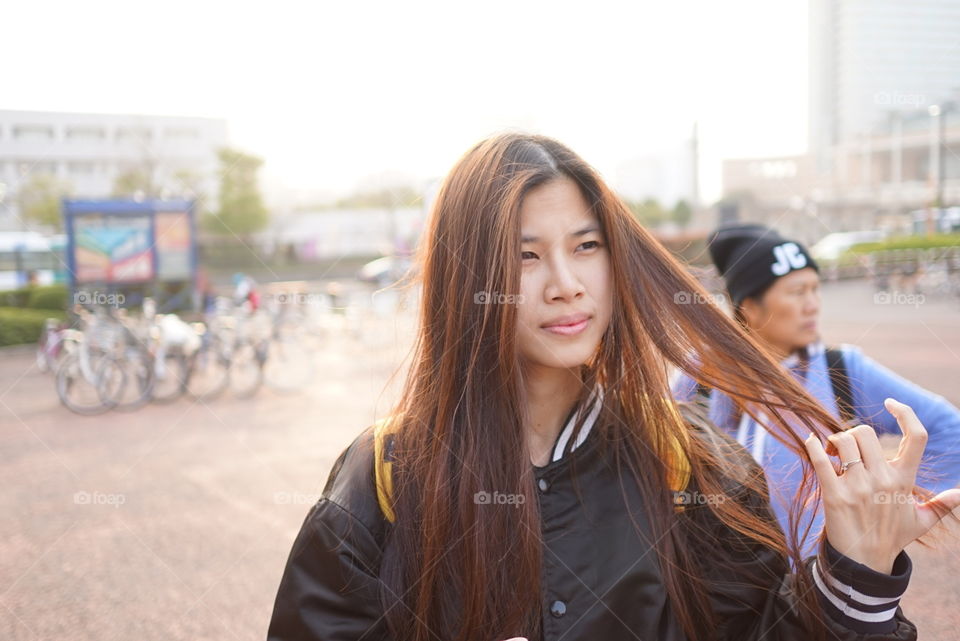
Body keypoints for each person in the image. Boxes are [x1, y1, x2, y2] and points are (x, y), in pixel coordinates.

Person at [267, 134, 960, 641]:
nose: (565, 281)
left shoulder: (685, 458)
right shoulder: (388, 474)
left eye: (587, 245)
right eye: (524, 254)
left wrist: (855, 578)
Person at [672, 223, 960, 554]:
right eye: (797, 292)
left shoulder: (842, 369)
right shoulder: (702, 374)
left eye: (815, 289)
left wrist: (889, 508)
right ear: (749, 307)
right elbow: (660, 459)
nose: (813, 305)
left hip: (825, 584)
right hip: (723, 588)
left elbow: (949, 429)